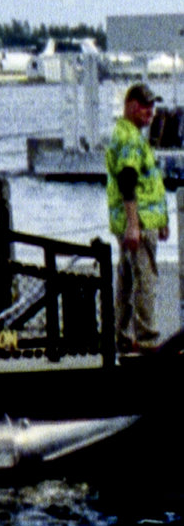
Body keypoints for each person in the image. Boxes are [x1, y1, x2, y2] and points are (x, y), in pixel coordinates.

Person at [107, 81, 170, 356]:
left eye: (152, 106)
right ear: (130, 106)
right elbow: (128, 180)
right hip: (138, 225)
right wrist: (135, 225)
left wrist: (162, 220)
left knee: (128, 279)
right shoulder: (130, 139)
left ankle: (120, 336)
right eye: (144, 105)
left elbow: (149, 184)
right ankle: (146, 339)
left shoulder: (127, 135)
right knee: (144, 278)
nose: (150, 111)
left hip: (141, 222)